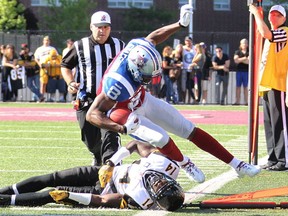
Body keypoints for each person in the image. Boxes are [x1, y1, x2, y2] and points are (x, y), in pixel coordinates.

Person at [85, 4, 260, 184]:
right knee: (160, 137)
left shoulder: (137, 47)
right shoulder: (116, 84)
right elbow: (92, 114)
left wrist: (180, 25)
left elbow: (153, 37)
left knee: (187, 128)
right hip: (122, 110)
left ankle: (237, 165)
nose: (149, 78)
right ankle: (185, 163)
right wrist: (121, 129)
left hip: (140, 99)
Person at [0, 140, 185, 211]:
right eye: (163, 182)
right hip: (105, 171)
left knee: (53, 193)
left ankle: (5, 200)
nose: (158, 181)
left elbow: (101, 200)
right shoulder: (166, 165)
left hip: (102, 188)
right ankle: (6, 191)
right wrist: (111, 162)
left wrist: (70, 196)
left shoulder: (140, 200)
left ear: (153, 196)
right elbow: (135, 144)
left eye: (157, 187)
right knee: (52, 177)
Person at [61, 11, 125, 166]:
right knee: (89, 139)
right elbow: (65, 65)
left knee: (110, 134)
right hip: (86, 97)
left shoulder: (120, 46)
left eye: (105, 27)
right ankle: (98, 156)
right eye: (98, 27)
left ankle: (110, 169)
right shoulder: (80, 46)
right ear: (91, 27)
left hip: (110, 99)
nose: (102, 31)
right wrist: (70, 82)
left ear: (110, 28)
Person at [249, 4, 288, 171]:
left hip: (278, 83)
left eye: (278, 15)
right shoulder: (270, 32)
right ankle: (273, 157)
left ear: (284, 18)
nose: (274, 17)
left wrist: (255, 14)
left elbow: (266, 33)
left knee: (280, 123)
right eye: (272, 14)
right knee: (269, 123)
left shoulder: (284, 31)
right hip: (266, 84)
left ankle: (283, 159)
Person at [34, 36, 58, 101]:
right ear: (43, 41)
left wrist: (53, 63)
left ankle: (51, 98)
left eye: (47, 40)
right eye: (45, 40)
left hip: (52, 67)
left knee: (51, 83)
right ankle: (42, 97)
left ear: (49, 41)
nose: (46, 42)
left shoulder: (52, 48)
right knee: (43, 83)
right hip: (43, 67)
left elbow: (56, 57)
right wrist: (40, 64)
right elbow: (36, 58)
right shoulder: (39, 49)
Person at [233, 38, 249, 106]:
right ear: (240, 44)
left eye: (245, 43)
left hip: (246, 72)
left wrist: (240, 59)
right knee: (238, 87)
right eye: (243, 43)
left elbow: (249, 62)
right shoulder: (237, 52)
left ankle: (246, 102)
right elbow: (235, 60)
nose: (244, 44)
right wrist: (245, 58)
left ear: (247, 44)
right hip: (239, 71)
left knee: (246, 87)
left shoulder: (249, 52)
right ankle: (237, 101)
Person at [182, 36, 196, 103]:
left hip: (192, 70)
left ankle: (190, 100)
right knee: (184, 86)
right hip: (184, 70)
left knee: (191, 86)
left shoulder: (194, 48)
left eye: (189, 41)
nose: (188, 42)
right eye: (187, 41)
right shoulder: (182, 48)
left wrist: (193, 65)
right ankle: (184, 100)